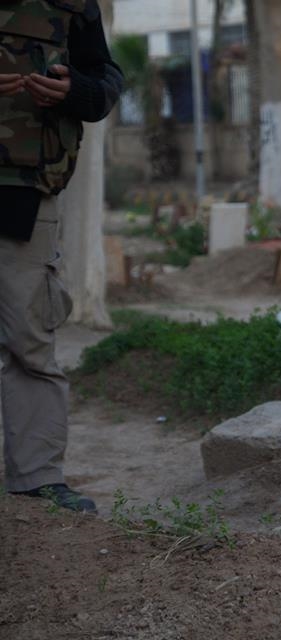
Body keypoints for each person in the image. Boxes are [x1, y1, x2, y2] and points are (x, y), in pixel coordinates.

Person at [0, 0, 123, 514]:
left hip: (25, 191)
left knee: (29, 340)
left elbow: (105, 82)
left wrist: (77, 89)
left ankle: (36, 479)